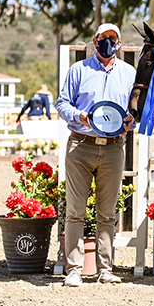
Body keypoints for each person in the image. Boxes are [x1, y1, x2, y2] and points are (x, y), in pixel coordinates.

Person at [55, 23, 136, 287]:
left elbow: (133, 111)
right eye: (104, 38)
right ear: (95, 40)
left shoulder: (129, 73)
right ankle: (75, 269)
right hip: (81, 144)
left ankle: (105, 268)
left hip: (113, 147)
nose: (108, 43)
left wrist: (129, 122)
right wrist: (79, 115)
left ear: (120, 44)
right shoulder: (78, 70)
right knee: (76, 209)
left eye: (113, 39)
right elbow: (62, 103)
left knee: (107, 211)